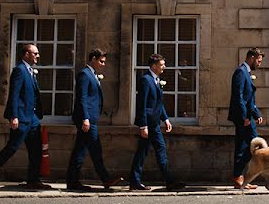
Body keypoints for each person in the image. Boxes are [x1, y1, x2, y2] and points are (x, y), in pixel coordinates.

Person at [0, 43, 50, 191]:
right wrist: (14, 116)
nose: (38, 56)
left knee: (36, 150)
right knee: (11, 148)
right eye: (35, 53)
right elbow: (14, 94)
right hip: (21, 117)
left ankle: (33, 180)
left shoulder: (30, 71)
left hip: (32, 117)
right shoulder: (19, 70)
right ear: (26, 54)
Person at [65, 48, 123, 191]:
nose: (103, 64)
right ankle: (105, 179)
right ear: (93, 59)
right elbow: (82, 98)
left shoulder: (92, 74)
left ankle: (72, 181)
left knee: (80, 150)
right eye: (101, 61)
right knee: (95, 150)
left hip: (90, 118)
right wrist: (85, 118)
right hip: (87, 119)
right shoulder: (85, 74)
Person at [129, 54, 185, 191]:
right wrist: (143, 126)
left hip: (155, 124)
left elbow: (158, 103)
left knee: (158, 151)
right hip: (148, 124)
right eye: (161, 65)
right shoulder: (145, 80)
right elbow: (141, 104)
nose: (164, 67)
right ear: (154, 66)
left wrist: (165, 119)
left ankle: (168, 181)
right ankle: (136, 181)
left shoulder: (156, 80)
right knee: (143, 152)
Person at [228, 48, 264, 189]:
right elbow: (239, 97)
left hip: (247, 116)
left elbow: (249, 99)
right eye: (259, 61)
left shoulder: (246, 73)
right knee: (254, 145)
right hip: (243, 118)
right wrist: (244, 117)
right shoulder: (241, 72)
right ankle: (239, 176)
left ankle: (239, 176)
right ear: (252, 58)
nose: (260, 64)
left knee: (244, 147)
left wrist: (257, 114)